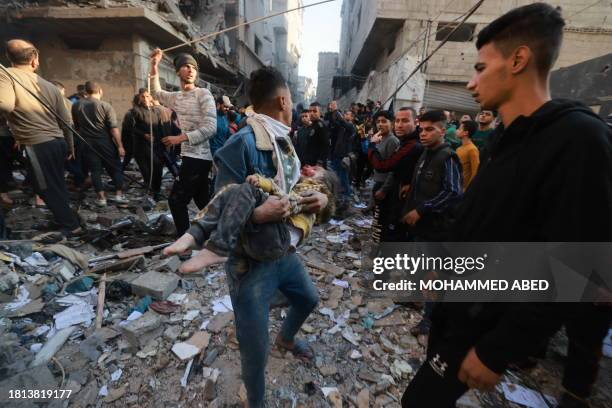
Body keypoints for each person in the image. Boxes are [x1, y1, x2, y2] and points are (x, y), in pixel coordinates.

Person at [401, 4, 612, 407]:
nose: (470, 82)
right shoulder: (507, 140)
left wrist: (500, 347)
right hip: (458, 309)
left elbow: (579, 261)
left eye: (480, 67)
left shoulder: (578, 139)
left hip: (484, 326)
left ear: (518, 59)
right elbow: (486, 221)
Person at [164, 66, 328, 408]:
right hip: (249, 265)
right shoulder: (244, 142)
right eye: (293, 99)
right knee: (254, 352)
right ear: (284, 99)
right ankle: (256, 402)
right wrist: (257, 214)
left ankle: (286, 339)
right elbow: (222, 201)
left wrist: (321, 199)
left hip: (284, 251)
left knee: (308, 299)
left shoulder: (282, 137)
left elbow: (293, 186)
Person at [175, 165, 336, 273]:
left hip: (277, 240)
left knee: (243, 190)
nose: (307, 167)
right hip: (266, 241)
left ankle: (207, 241)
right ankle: (197, 236)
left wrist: (263, 183)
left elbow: (289, 203)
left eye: (314, 169)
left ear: (324, 183)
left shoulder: (314, 188)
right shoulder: (297, 183)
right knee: (234, 190)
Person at [0, 39, 82, 235]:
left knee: (44, 188)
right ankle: (66, 220)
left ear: (9, 57)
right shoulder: (50, 86)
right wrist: (70, 146)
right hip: (58, 142)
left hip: (38, 144)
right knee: (57, 184)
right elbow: (66, 120)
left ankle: (72, 226)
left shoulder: (5, 75)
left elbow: (5, 105)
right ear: (34, 59)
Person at [150, 49, 217, 236]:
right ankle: (223, 235)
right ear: (178, 72)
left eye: (193, 67)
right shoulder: (176, 97)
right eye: (186, 67)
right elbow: (155, 92)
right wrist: (154, 65)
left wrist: (180, 138)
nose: (190, 70)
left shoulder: (203, 94)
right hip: (190, 156)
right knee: (203, 201)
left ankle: (184, 244)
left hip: (199, 158)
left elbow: (211, 127)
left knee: (176, 201)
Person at [368, 107, 423, 242]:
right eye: (397, 121)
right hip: (394, 191)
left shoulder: (410, 144)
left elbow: (385, 166)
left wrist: (372, 146)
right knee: (382, 222)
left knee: (391, 230)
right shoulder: (404, 142)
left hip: (399, 196)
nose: (399, 124)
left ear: (416, 122)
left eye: (404, 121)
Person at [71, 81, 127, 206]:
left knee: (95, 170)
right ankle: (118, 195)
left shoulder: (76, 105)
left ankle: (101, 198)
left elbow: (76, 127)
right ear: (100, 91)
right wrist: (120, 146)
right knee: (116, 167)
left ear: (85, 92)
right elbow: (113, 129)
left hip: (87, 143)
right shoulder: (105, 106)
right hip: (104, 142)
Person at [369, 110, 399, 242]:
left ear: (391, 123)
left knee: (381, 219)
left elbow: (393, 168)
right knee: (376, 217)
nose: (380, 124)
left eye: (384, 121)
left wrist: (384, 189)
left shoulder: (393, 141)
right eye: (378, 122)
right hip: (378, 182)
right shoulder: (380, 138)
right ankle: (376, 245)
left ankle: (378, 249)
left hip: (384, 185)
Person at [455, 119, 479, 190]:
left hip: (464, 188)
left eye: (459, 129)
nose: (457, 130)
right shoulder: (459, 148)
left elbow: (475, 172)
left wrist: (468, 189)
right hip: (456, 185)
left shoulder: (472, 149)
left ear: (465, 133)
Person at [304, 102, 329, 167]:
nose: (311, 113)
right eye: (310, 111)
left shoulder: (321, 126)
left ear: (320, 113)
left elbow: (325, 145)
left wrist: (320, 162)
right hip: (310, 161)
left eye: (315, 111)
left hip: (316, 164)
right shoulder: (312, 125)